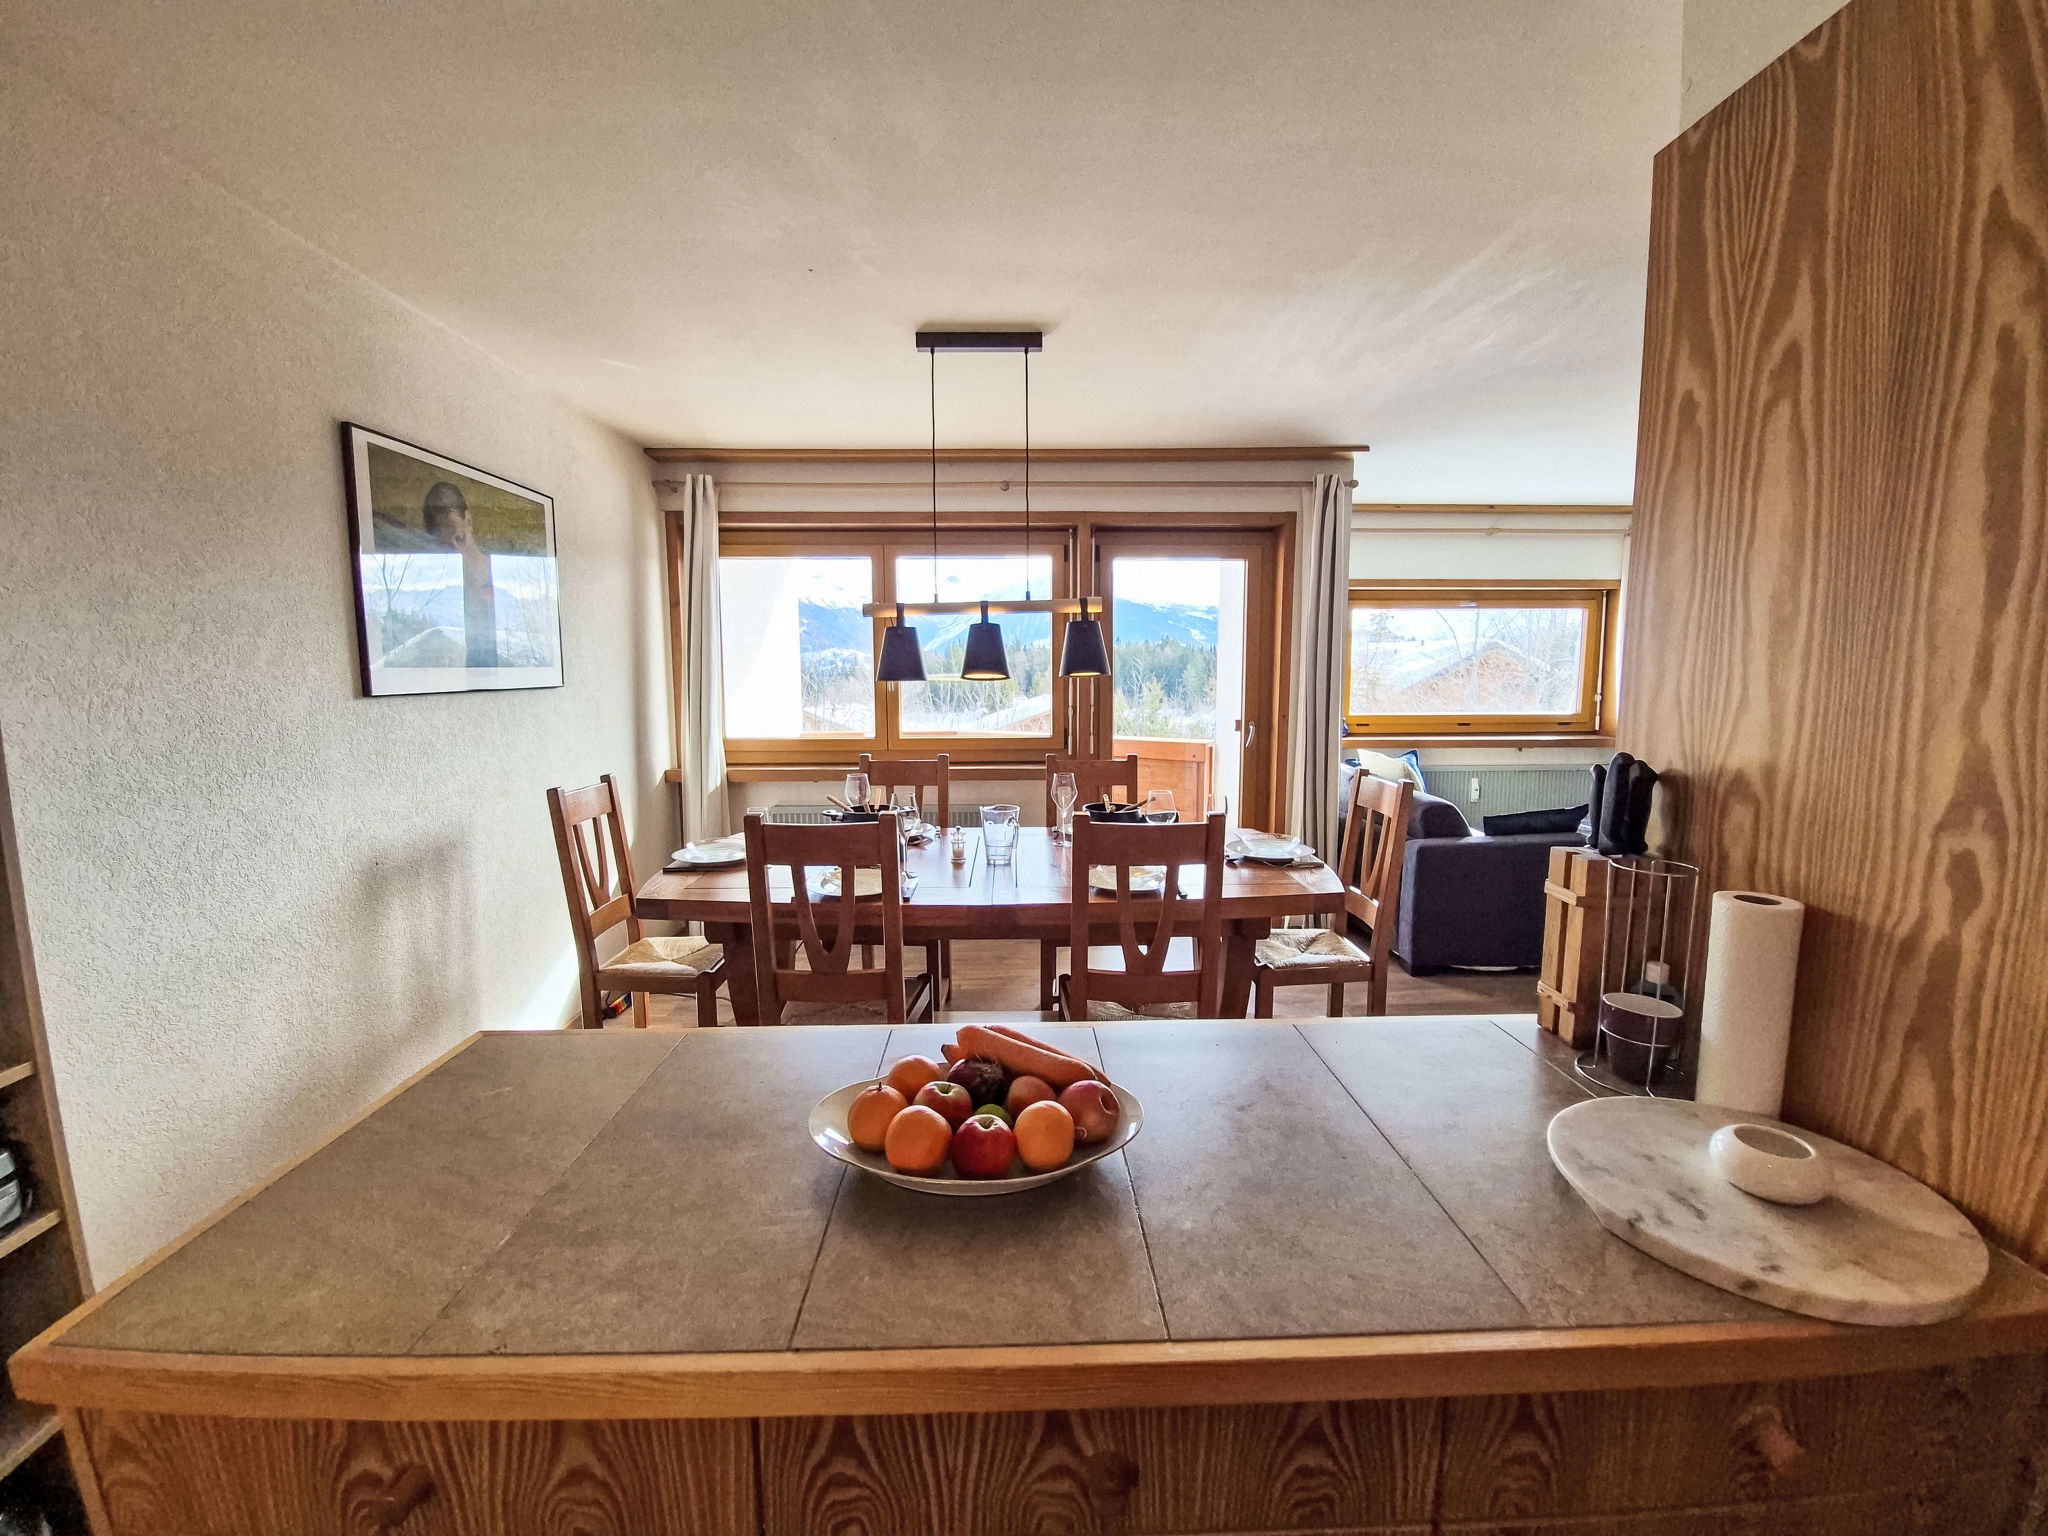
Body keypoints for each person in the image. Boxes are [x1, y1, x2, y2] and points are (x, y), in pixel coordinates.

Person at [421, 480, 498, 668]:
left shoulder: (495, 569)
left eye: (459, 537)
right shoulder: (438, 584)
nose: (457, 550)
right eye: (445, 544)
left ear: (468, 521)